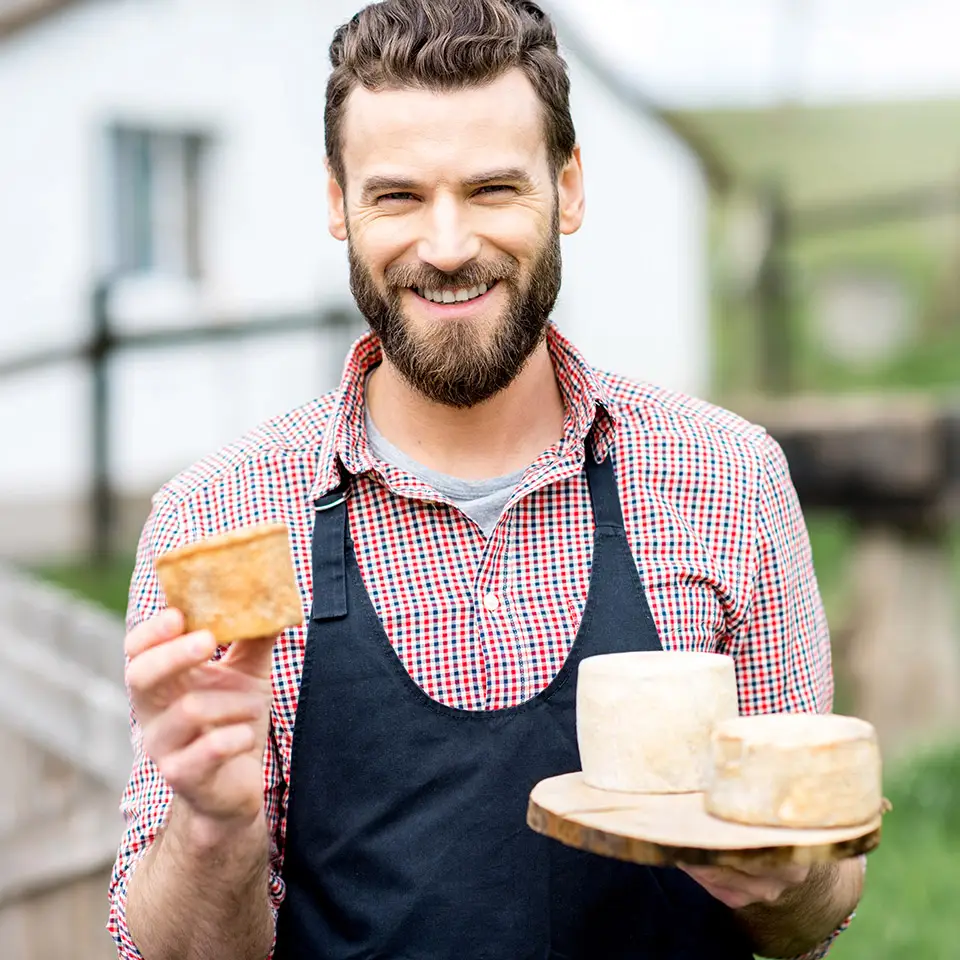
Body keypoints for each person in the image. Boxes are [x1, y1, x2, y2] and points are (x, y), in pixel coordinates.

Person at [108, 1, 864, 957]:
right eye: (397, 197)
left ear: (570, 187)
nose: (450, 244)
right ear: (338, 202)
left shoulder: (727, 480)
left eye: (494, 188)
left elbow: (814, 911)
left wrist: (785, 880)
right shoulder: (218, 515)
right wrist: (214, 828)